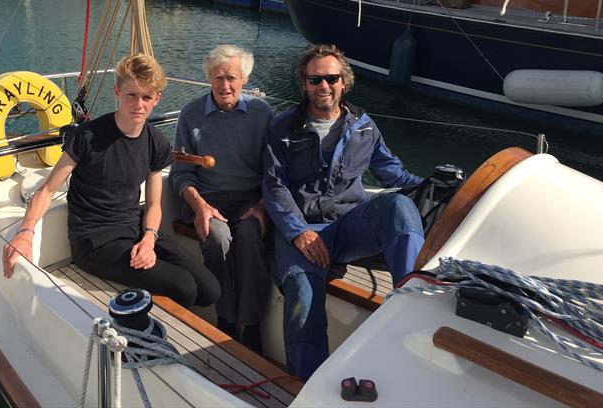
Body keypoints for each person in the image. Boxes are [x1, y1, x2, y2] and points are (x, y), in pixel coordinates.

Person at [2, 54, 220, 309]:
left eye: (147, 97)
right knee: (184, 287)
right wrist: (26, 233)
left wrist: (148, 239)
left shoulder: (155, 142)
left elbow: (152, 205)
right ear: (117, 91)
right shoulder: (88, 137)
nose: (139, 104)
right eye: (131, 95)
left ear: (157, 99)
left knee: (209, 290)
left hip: (135, 229)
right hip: (94, 241)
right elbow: (48, 189)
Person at [263, 44, 424, 381]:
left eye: (331, 78)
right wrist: (298, 232)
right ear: (304, 84)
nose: (324, 86)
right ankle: (308, 385)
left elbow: (396, 177)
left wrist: (448, 188)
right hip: (303, 230)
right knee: (303, 298)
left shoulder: (364, 127)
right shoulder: (282, 128)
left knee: (398, 205)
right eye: (316, 79)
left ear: (344, 82)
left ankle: (409, 300)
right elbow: (274, 187)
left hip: (348, 226)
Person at [170, 45, 273, 352]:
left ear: (244, 80)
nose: (224, 85)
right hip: (207, 198)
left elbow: (275, 169)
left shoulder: (261, 113)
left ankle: (252, 325)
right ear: (209, 79)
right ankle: (226, 319)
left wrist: (262, 205)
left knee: (251, 235)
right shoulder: (191, 115)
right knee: (217, 238)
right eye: (218, 78)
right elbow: (180, 172)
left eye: (231, 77)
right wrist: (199, 206)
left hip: (249, 199)